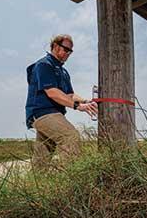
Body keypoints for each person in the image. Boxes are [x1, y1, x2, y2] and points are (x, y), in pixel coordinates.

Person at [25, 34, 98, 168]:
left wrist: (86, 102)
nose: (68, 53)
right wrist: (77, 106)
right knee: (70, 137)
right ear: (55, 46)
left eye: (70, 51)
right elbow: (52, 92)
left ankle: (34, 185)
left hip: (53, 114)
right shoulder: (44, 65)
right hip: (43, 113)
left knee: (42, 158)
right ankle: (72, 181)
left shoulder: (63, 72)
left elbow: (69, 95)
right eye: (65, 49)